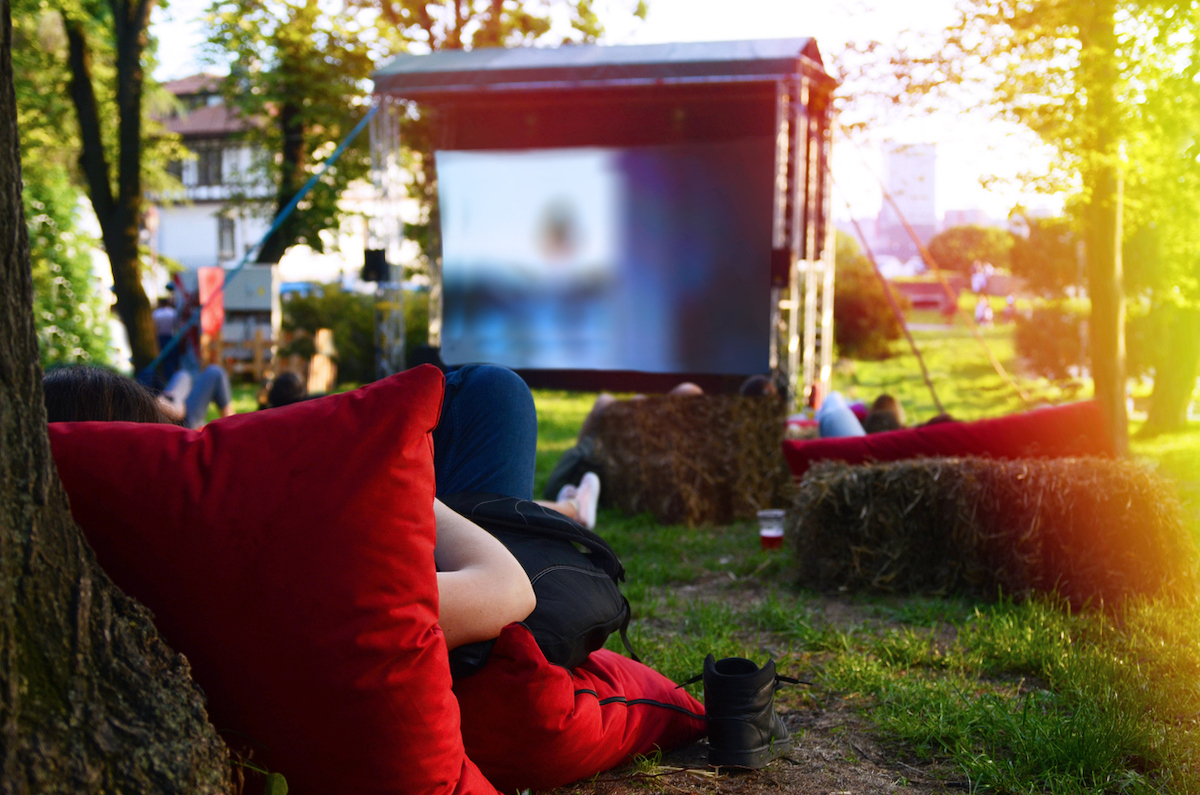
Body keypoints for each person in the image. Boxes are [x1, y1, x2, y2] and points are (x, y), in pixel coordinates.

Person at [42, 362, 537, 651]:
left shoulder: (98, 588)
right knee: (494, 395)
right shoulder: (251, 586)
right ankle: (561, 514)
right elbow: (509, 589)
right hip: (470, 640)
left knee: (487, 395)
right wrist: (408, 494)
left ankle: (560, 512)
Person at [158, 364, 237, 429]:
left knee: (182, 374)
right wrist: (174, 407)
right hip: (180, 424)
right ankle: (234, 429)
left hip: (169, 405)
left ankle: (233, 426)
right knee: (215, 373)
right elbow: (178, 413)